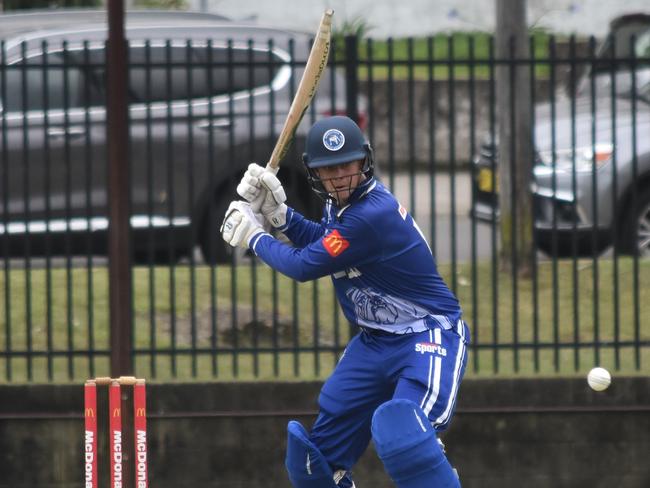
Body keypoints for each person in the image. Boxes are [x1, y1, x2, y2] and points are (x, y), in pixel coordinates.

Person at [221, 116, 469, 488]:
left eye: (345, 165)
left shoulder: (371, 215)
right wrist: (279, 215)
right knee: (314, 459)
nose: (338, 177)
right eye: (327, 169)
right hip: (375, 341)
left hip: (426, 335)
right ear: (314, 173)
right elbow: (325, 241)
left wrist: (255, 237)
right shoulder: (342, 209)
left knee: (407, 437)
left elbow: (305, 265)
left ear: (363, 162)